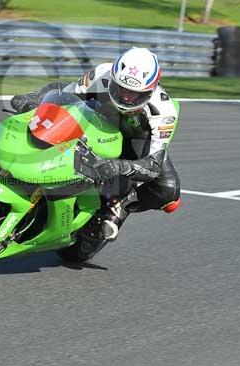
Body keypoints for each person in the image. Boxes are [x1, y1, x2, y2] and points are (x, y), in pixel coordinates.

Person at [9, 47, 181, 242]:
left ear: (150, 91)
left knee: (168, 190)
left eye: (134, 94)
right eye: (121, 89)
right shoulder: (102, 74)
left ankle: (119, 209)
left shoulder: (164, 113)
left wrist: (120, 166)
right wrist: (34, 98)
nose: (126, 98)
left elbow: (154, 164)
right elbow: (65, 91)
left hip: (136, 143)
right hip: (98, 120)